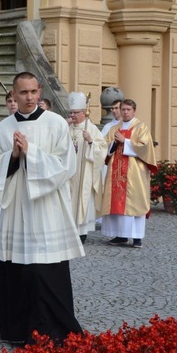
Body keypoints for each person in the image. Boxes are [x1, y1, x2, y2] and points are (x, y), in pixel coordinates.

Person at [0, 72, 84, 346]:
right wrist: (13, 156)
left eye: (32, 92)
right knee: (19, 271)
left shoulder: (56, 124)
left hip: (48, 209)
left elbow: (66, 165)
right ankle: (18, 331)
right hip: (16, 209)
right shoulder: (3, 129)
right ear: (13, 95)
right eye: (22, 93)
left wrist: (31, 152)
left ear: (39, 91)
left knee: (44, 272)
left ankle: (55, 330)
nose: (28, 98)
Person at [101, 99, 158, 249]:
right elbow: (105, 146)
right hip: (116, 173)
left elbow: (145, 147)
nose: (125, 112)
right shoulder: (115, 128)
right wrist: (114, 143)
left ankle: (137, 237)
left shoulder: (141, 127)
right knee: (117, 204)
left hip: (135, 173)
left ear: (134, 111)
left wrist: (125, 141)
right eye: (123, 109)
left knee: (135, 203)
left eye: (128, 109)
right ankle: (121, 235)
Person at [66, 92, 107, 244]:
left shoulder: (92, 129)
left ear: (84, 113)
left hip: (84, 173)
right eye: (71, 112)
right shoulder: (66, 128)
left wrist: (91, 142)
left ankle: (81, 233)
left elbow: (102, 149)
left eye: (76, 113)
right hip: (68, 174)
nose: (73, 115)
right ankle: (67, 231)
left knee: (82, 201)